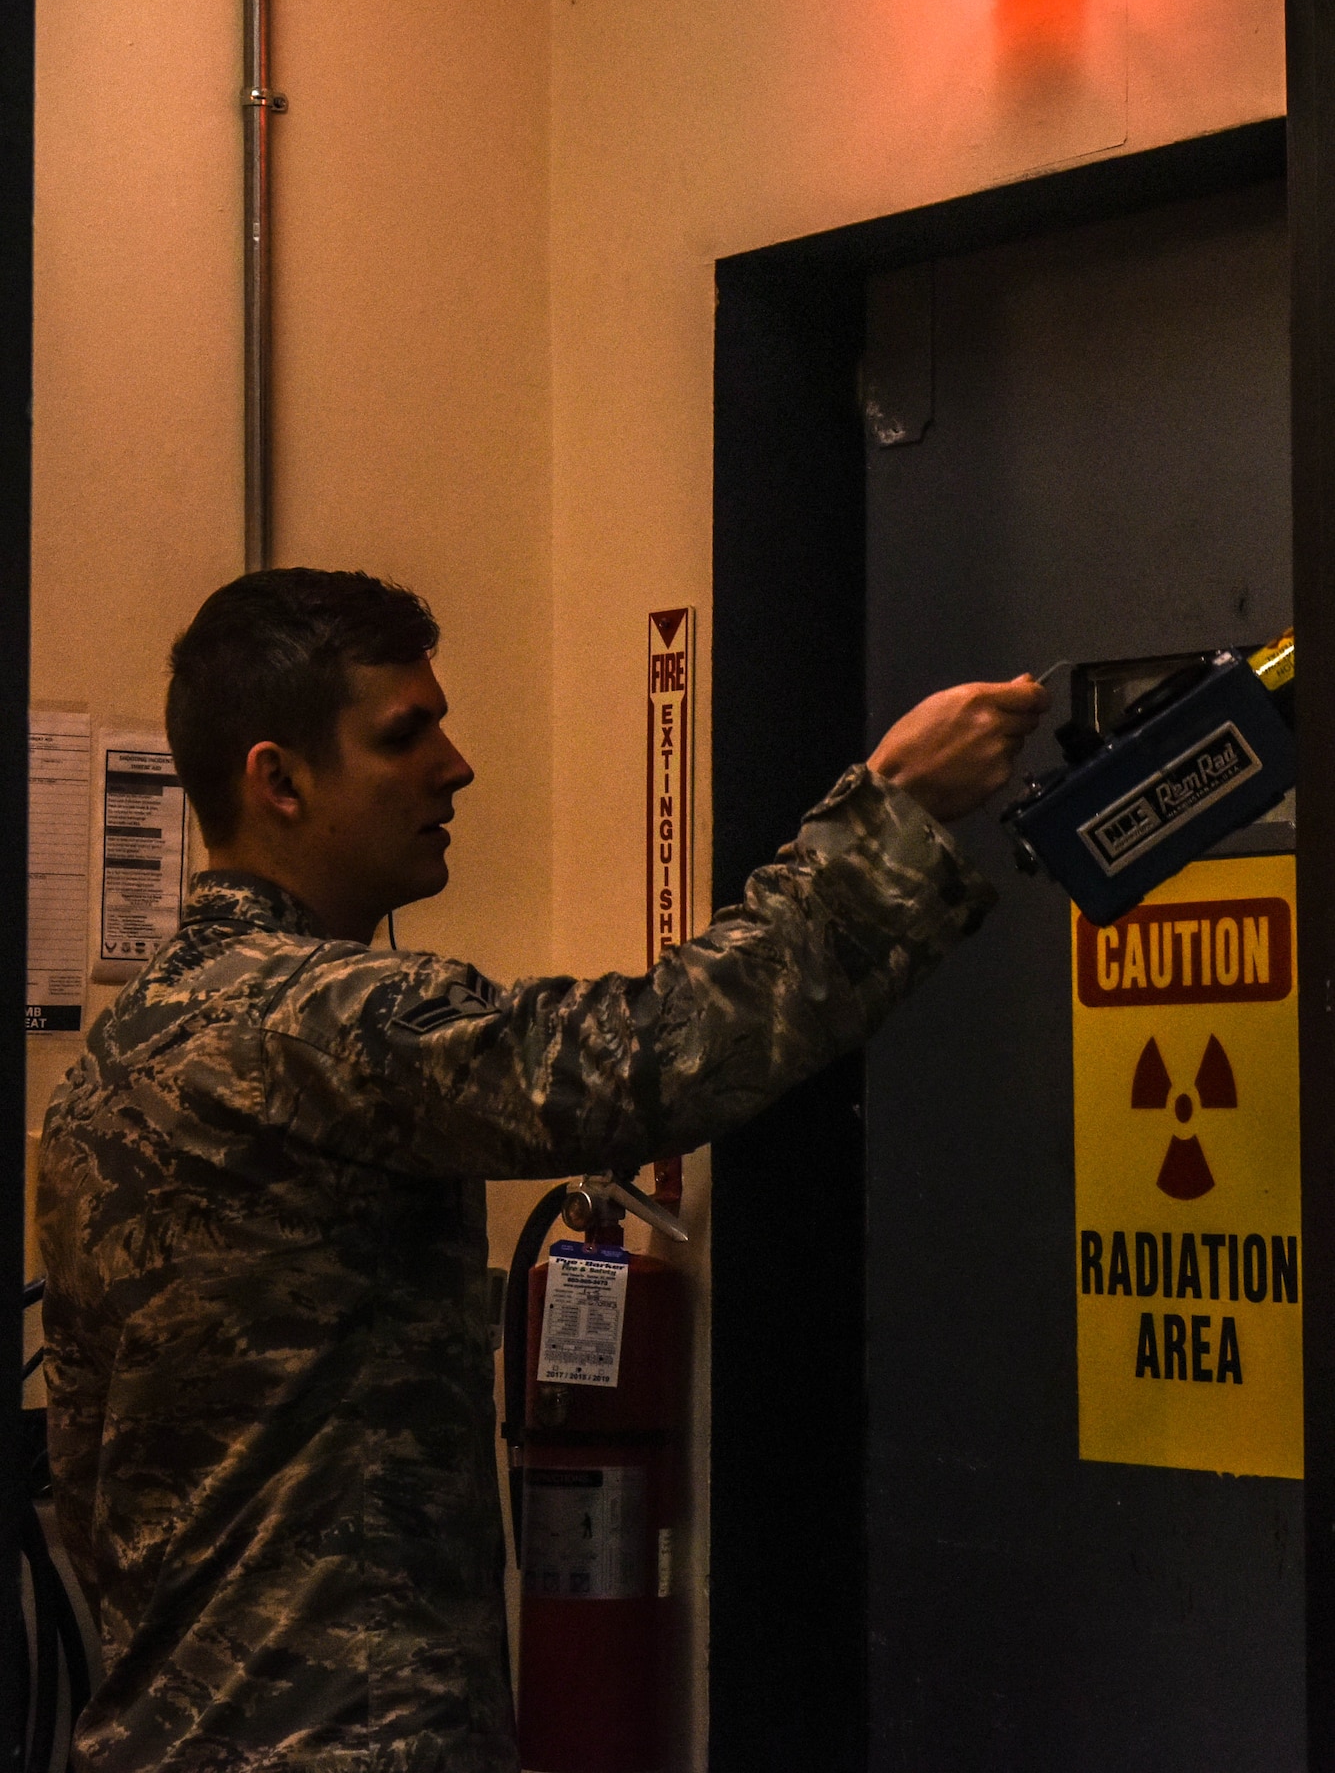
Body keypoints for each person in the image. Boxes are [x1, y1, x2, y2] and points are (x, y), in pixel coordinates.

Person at [38, 567, 1049, 1772]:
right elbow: (650, 1057)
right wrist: (891, 811)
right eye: (404, 734)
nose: (454, 765)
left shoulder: (123, 1051)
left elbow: (89, 1471)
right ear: (280, 778)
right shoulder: (319, 1017)